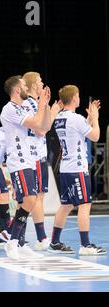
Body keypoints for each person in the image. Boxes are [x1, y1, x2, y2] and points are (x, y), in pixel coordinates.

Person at [49, 85, 106, 255]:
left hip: (66, 168)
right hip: (78, 168)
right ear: (74, 98)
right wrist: (95, 118)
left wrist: (88, 119)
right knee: (84, 205)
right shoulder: (76, 118)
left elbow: (78, 132)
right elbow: (95, 136)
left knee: (66, 205)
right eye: (78, 96)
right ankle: (85, 245)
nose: (79, 98)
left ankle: (55, 241)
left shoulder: (59, 117)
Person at [0, 75, 51, 260]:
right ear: (16, 90)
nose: (26, 88)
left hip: (29, 159)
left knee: (25, 202)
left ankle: (17, 242)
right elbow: (38, 123)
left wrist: (44, 105)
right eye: (23, 86)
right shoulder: (10, 108)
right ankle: (12, 242)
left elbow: (43, 128)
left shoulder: (22, 107)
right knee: (30, 200)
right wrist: (42, 104)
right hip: (18, 160)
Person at [21, 72, 61, 251]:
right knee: (36, 197)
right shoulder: (29, 104)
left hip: (37, 155)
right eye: (40, 81)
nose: (43, 83)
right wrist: (47, 109)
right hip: (33, 155)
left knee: (35, 197)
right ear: (33, 86)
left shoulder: (35, 104)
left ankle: (20, 236)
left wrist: (51, 111)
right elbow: (40, 130)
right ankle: (41, 237)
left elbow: (43, 127)